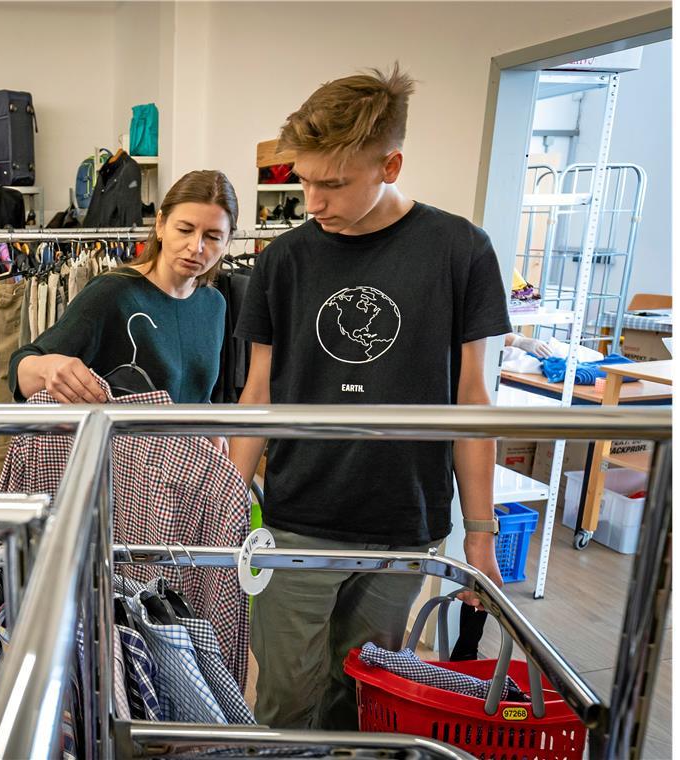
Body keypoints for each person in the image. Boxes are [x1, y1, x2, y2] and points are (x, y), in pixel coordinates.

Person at [228, 64, 513, 730]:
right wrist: (226, 504)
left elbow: (473, 399)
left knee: (363, 699)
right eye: (303, 180)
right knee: (283, 706)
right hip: (297, 516)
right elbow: (257, 393)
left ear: (391, 164)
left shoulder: (461, 250)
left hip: (401, 522)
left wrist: (480, 534)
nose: (314, 201)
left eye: (334, 183)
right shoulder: (285, 260)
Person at [9, 169, 237, 406]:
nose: (195, 247)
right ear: (160, 225)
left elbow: (198, 395)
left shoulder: (213, 304)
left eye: (213, 237)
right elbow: (21, 367)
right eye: (185, 230)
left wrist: (210, 424)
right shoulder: (114, 292)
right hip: (120, 442)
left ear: (228, 241)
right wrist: (48, 368)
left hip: (191, 443)